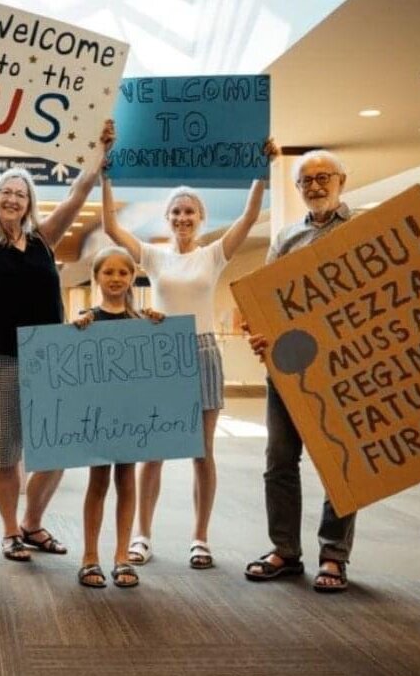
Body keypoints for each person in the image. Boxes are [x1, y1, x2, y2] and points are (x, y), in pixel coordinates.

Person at [0, 91, 115, 561]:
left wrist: (100, 151)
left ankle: (34, 522)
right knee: (5, 451)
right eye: (6, 192)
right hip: (0, 356)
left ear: (30, 202)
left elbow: (79, 191)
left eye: (21, 193)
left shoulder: (44, 239)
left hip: (50, 356)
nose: (13, 198)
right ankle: (11, 530)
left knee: (59, 448)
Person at [102, 170, 265, 570]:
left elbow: (248, 216)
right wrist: (104, 176)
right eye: (175, 211)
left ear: (201, 216)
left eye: (189, 211)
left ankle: (200, 538)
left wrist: (260, 173)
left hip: (204, 350)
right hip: (163, 354)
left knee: (202, 452)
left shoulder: (213, 254)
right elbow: (110, 226)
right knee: (153, 452)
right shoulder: (154, 257)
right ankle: (142, 535)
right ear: (167, 217)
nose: (182, 217)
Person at [244, 149, 355, 593]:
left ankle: (334, 555)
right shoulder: (286, 238)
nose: (314, 187)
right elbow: (267, 300)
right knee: (279, 461)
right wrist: (261, 334)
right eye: (305, 181)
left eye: (322, 177)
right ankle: (285, 551)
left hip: (346, 367)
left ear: (341, 180)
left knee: (341, 463)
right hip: (290, 368)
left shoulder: (363, 231)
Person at [72, 246, 164, 588]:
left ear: (132, 278)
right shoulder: (87, 319)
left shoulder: (144, 322)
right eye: (108, 272)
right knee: (98, 482)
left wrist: (158, 327)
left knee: (127, 481)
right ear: (96, 277)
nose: (115, 278)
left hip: (131, 414)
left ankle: (122, 557)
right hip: (100, 415)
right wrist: (75, 328)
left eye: (123, 273)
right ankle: (89, 557)